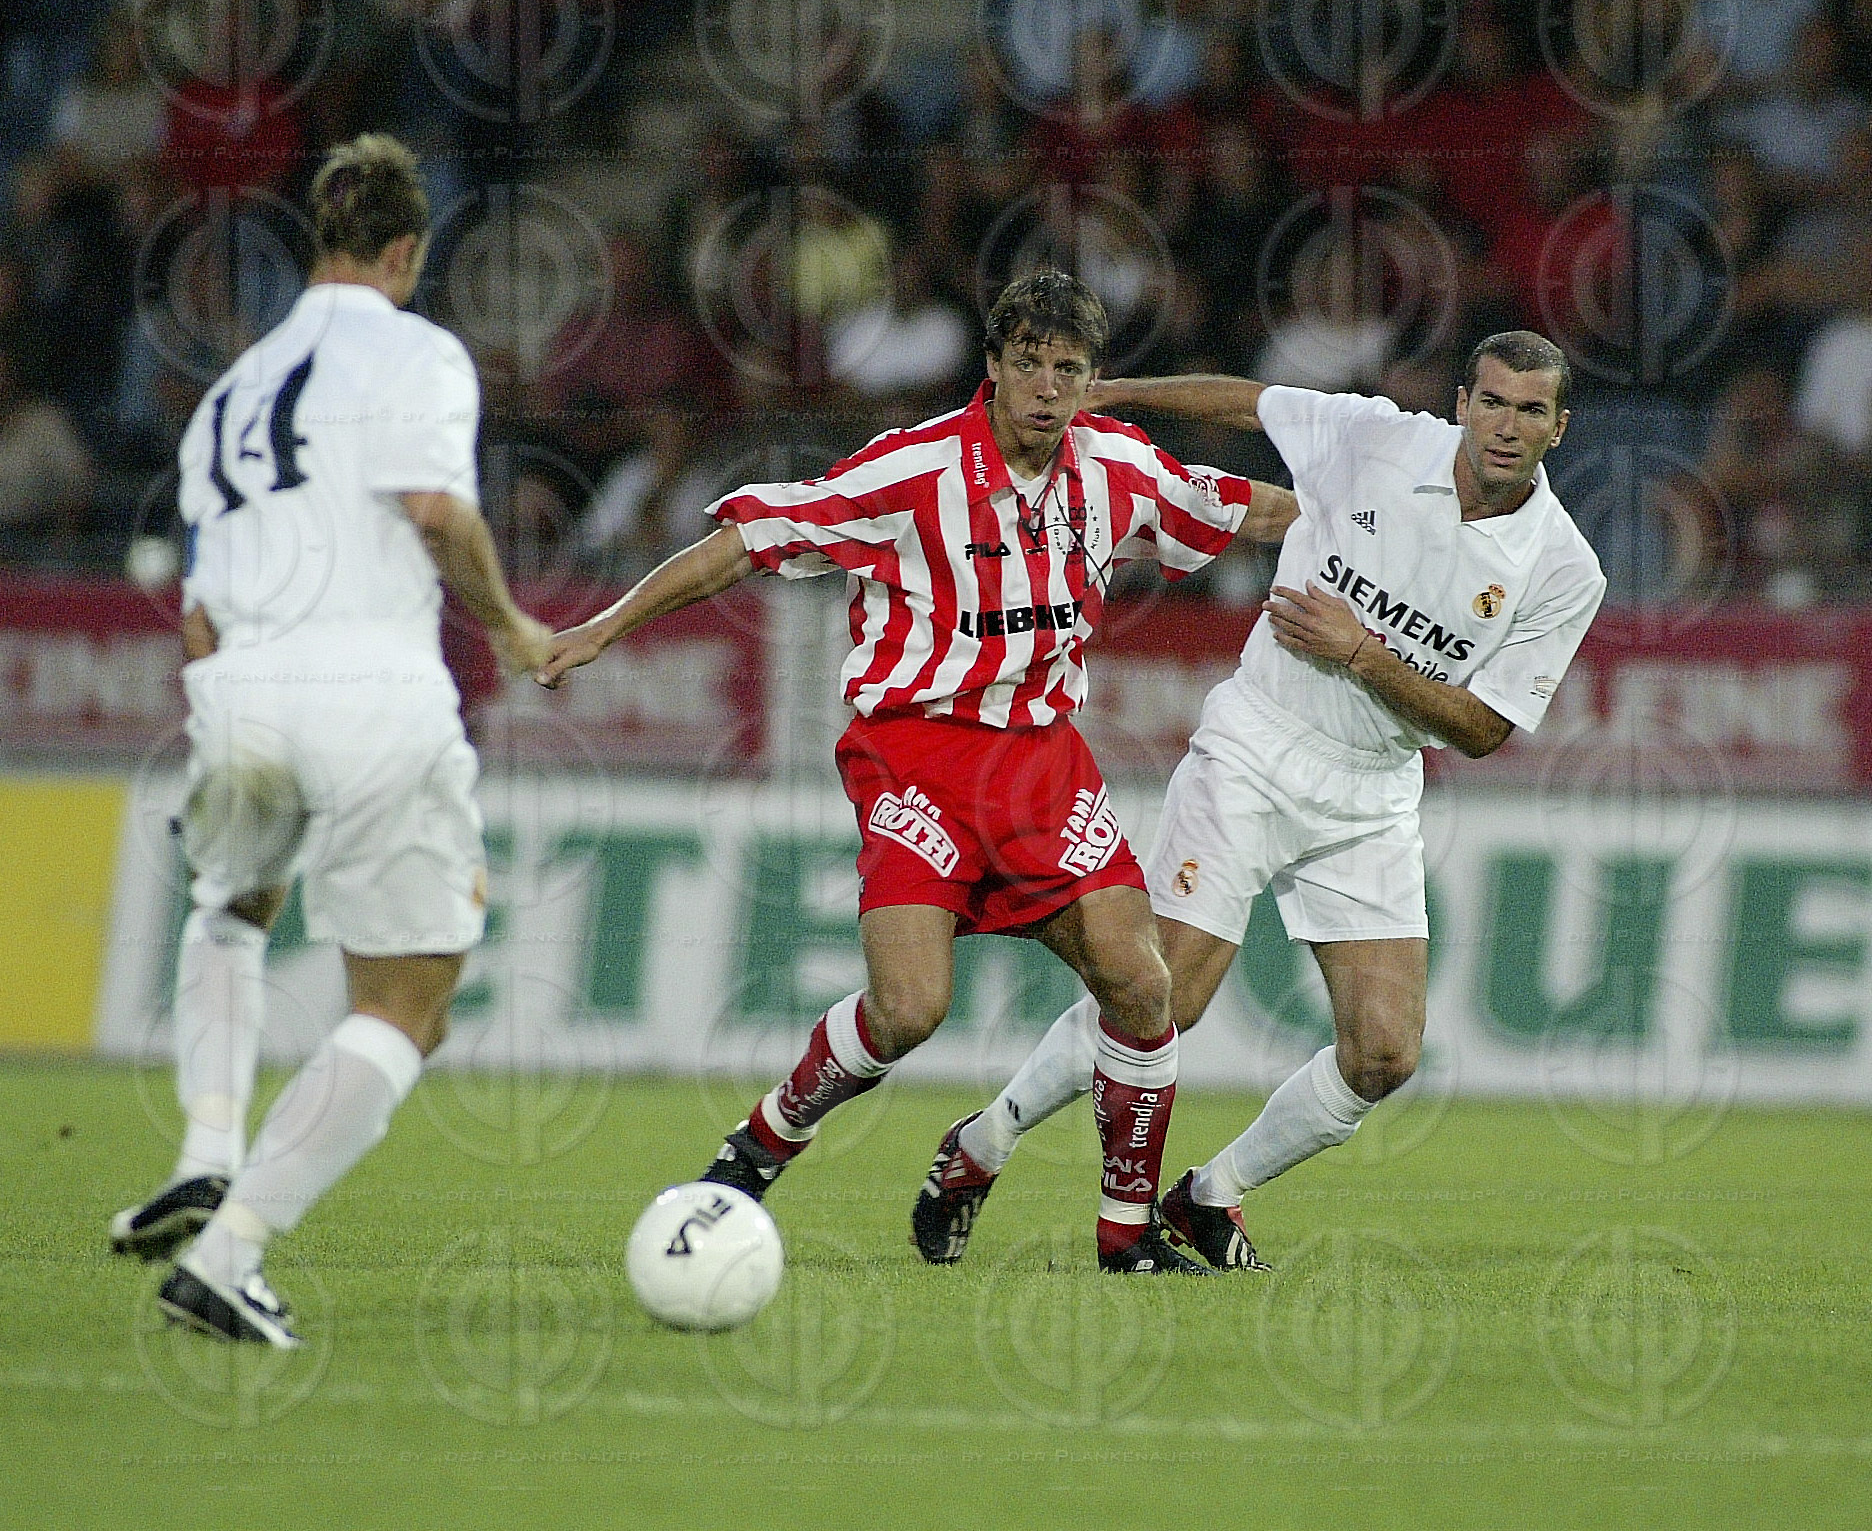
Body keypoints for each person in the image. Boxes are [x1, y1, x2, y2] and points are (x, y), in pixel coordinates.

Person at [537, 270, 1299, 1273]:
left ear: (1090, 379)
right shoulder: (910, 470)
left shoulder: (1117, 464)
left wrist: (1386, 506)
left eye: (1067, 367)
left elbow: (1240, 506)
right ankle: (761, 1145)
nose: (1045, 384)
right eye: (1026, 361)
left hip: (1042, 763)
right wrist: (601, 625)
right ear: (993, 366)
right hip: (916, 754)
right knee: (906, 1010)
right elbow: (748, 542)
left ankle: (1122, 1237)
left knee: (1140, 980)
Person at [915, 331, 1607, 1270]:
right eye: (1492, 401)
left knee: (1385, 1054)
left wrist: (1362, 650)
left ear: (1559, 429)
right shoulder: (1375, 439)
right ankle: (982, 1145)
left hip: (1371, 792)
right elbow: (1250, 400)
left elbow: (1485, 728)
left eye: (1531, 410)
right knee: (1166, 997)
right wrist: (1114, 390)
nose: (1506, 425)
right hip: (1259, 742)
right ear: (1461, 402)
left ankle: (1210, 1195)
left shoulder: (1563, 568)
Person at [108, 134, 552, 1347]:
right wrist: (509, 625)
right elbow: (434, 507)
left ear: (321, 240)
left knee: (230, 904)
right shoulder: (418, 351)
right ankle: (227, 1251)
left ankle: (206, 1150)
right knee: (409, 1001)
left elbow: (196, 605)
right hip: (372, 691)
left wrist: (236, 714)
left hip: (237, 686)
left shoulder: (229, 391)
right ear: (407, 251)